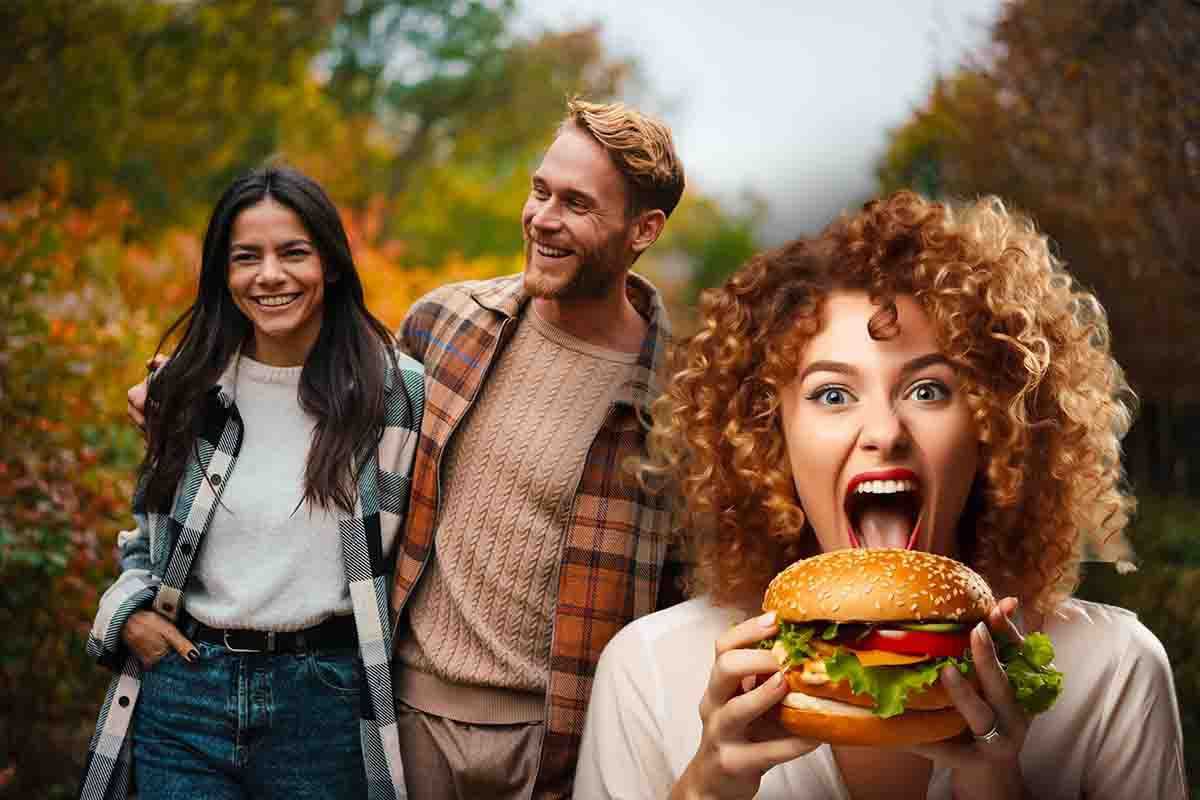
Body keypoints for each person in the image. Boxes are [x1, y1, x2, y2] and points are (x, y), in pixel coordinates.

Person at [125, 98, 689, 799]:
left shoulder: (682, 399)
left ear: (645, 228)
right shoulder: (446, 324)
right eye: (540, 191)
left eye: (577, 204)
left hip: (563, 740)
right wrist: (182, 392)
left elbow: (686, 593)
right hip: (406, 717)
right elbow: (306, 375)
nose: (543, 218)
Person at [574, 191, 1188, 800]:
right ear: (767, 432)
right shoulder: (650, 669)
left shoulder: (1114, 670)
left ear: (994, 422)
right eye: (833, 395)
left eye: (927, 391)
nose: (886, 433)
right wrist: (704, 791)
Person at [82, 166, 424, 799]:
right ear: (223, 274)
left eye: (293, 252)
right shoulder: (188, 390)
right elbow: (148, 537)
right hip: (186, 694)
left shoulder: (392, 393)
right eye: (247, 257)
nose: (270, 275)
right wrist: (126, 613)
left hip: (325, 703)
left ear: (331, 264)